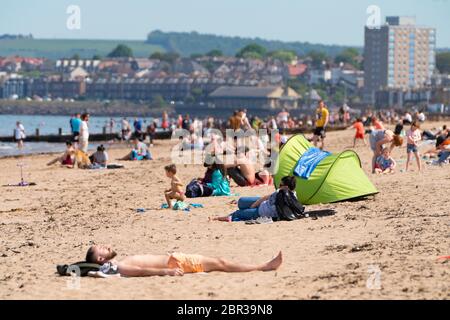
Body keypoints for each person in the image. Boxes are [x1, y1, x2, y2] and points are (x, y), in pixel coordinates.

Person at [84, 245, 282, 277]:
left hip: (176, 259)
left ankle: (264, 265)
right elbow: (140, 270)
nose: (106, 246)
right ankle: (264, 266)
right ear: (101, 259)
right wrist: (165, 272)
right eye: (101, 248)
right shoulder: (119, 266)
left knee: (218, 263)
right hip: (177, 263)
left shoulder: (114, 266)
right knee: (220, 263)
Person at [210, 176, 296, 222]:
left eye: (281, 185)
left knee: (238, 213)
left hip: (260, 212)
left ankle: (219, 218)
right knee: (241, 202)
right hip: (264, 204)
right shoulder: (293, 197)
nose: (279, 186)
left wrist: (253, 206)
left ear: (286, 187)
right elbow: (266, 198)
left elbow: (265, 198)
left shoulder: (281, 193)